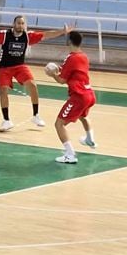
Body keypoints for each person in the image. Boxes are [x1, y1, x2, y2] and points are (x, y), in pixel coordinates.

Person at [0, 16, 70, 132]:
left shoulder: (27, 36)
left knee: (32, 85)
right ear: (14, 24)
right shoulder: (4, 35)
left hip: (19, 66)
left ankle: (36, 115)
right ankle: (6, 121)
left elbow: (46, 35)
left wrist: (62, 31)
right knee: (3, 90)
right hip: (5, 68)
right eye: (18, 23)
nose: (21, 25)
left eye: (23, 23)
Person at [46, 30, 97, 164]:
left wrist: (53, 75)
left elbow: (62, 80)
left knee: (59, 124)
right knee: (82, 116)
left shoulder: (71, 57)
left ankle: (70, 154)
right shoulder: (84, 56)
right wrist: (58, 68)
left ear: (69, 41)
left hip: (79, 96)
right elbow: (72, 70)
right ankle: (89, 138)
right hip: (90, 94)